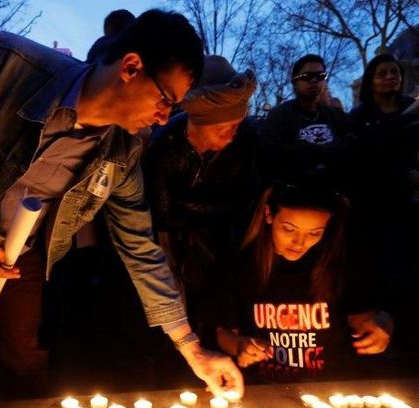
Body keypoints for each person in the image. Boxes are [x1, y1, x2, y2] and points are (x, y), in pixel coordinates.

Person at [0, 9, 243, 400]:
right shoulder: (6, 64)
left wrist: (192, 349)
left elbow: (140, 247)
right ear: (131, 67)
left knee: (25, 355)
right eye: (165, 100)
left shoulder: (124, 150)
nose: (164, 120)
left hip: (23, 246)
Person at [213, 177, 393, 383]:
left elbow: (364, 318)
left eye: (315, 233)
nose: (299, 243)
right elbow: (224, 332)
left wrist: (383, 323)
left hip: (327, 386)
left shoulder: (340, 266)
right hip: (261, 388)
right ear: (269, 215)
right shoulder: (239, 267)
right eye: (289, 229)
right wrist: (240, 345)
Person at [143, 55, 259, 344]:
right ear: (199, 124)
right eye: (223, 130)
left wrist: (192, 206)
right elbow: (162, 214)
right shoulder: (165, 146)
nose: (231, 137)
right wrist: (217, 209)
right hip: (170, 244)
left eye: (236, 127)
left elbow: (245, 201)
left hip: (222, 244)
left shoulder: (246, 141)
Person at [348, 53, 419, 351]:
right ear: (370, 81)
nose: (390, 77)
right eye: (382, 73)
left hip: (410, 210)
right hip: (373, 211)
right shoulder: (359, 120)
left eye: (395, 72)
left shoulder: (414, 114)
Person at [259, 54, 349, 184]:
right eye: (307, 76)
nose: (314, 80)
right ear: (295, 82)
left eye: (320, 76)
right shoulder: (280, 116)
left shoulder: (336, 117)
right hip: (293, 194)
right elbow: (272, 158)